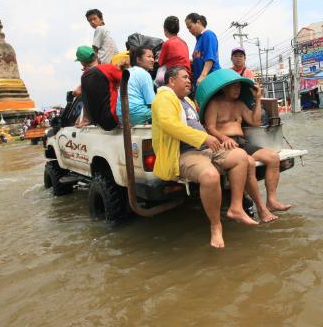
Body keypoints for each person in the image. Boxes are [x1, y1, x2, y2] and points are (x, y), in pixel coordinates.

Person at [152, 66, 277, 249]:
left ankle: (236, 208)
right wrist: (205, 137)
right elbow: (168, 124)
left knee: (241, 156)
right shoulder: (163, 97)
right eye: (184, 77)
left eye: (189, 77)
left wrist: (209, 140)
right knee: (210, 176)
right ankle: (216, 226)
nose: (189, 81)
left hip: (206, 148)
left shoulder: (186, 100)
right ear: (171, 81)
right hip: (185, 152)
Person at [204, 79, 292, 215]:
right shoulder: (214, 104)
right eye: (234, 86)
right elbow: (209, 128)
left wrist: (257, 99)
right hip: (225, 144)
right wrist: (224, 138)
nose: (237, 89)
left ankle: (272, 201)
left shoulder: (240, 104)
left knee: (273, 157)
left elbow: (255, 122)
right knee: (248, 162)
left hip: (242, 142)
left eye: (239, 87)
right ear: (223, 88)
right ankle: (260, 207)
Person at [116, 46, 156, 125]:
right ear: (138, 60)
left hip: (121, 116)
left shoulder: (128, 71)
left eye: (153, 57)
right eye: (149, 57)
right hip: (138, 115)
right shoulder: (144, 74)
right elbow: (152, 103)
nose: (152, 60)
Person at [185, 13, 221, 89]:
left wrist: (203, 76)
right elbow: (201, 57)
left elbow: (210, 58)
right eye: (188, 29)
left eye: (190, 27)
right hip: (200, 82)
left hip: (210, 80)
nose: (189, 30)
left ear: (198, 22)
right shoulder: (198, 40)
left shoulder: (208, 34)